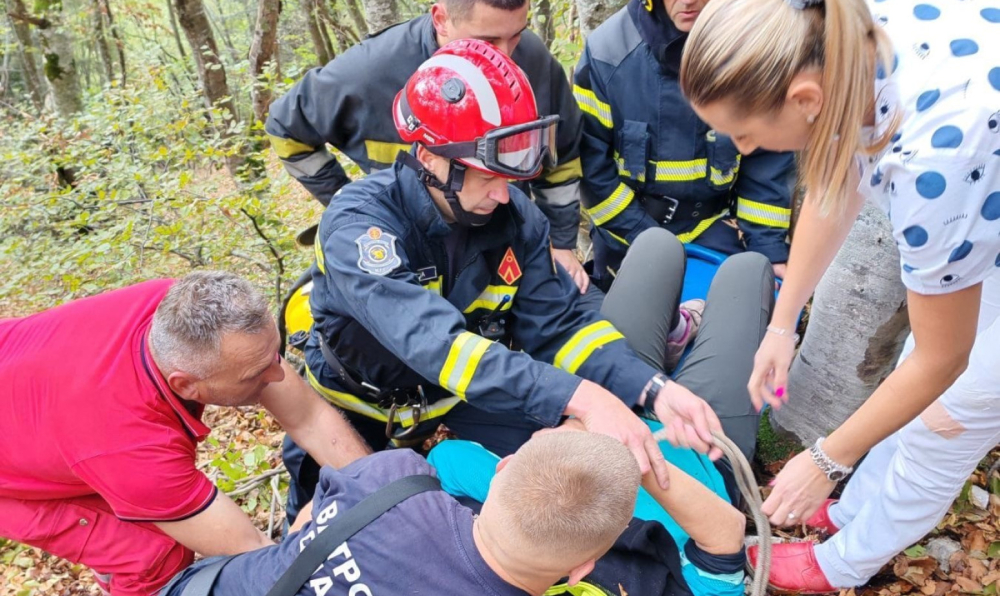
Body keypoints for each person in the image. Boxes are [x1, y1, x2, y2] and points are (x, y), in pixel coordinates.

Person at [287, 39, 778, 520]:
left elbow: (560, 326)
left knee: (570, 484)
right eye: (488, 177)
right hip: (358, 408)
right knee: (339, 531)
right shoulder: (361, 228)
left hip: (459, 400)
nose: (505, 196)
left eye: (511, 177)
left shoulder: (513, 217)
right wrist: (582, 396)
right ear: (432, 158)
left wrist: (651, 389)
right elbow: (439, 346)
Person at [680, 0, 1000, 592]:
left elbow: (943, 360)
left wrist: (828, 460)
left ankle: (845, 562)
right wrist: (781, 325)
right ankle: (856, 512)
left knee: (949, 414)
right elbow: (837, 181)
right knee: (915, 376)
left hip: (973, 179)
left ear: (804, 100)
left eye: (743, 133)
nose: (741, 150)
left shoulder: (933, 156)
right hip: (982, 199)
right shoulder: (839, 38)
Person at [132, 430, 745, 596]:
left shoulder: (391, 479)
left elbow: (304, 534)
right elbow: (725, 534)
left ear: (498, 474)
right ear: (581, 567)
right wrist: (638, 468)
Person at [0, 271, 369, 596]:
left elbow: (310, 417)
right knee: (152, 553)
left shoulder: (181, 313)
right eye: (255, 375)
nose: (278, 375)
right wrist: (317, 533)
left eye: (275, 355)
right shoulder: (136, 449)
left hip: (32, 390)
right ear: (186, 385)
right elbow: (256, 554)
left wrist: (376, 490)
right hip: (19, 468)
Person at [265, 0, 592, 294]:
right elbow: (285, 128)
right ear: (441, 19)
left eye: (517, 35)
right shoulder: (371, 71)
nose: (505, 56)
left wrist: (560, 243)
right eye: (487, 41)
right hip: (410, 256)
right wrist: (342, 197)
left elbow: (561, 160)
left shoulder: (532, 60)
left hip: (502, 239)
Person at [572, 0, 795, 292]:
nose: (689, 1)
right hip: (627, 237)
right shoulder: (607, 52)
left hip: (715, 231)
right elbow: (589, 168)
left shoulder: (753, 47)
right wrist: (647, 240)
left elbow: (767, 158)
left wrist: (768, 248)